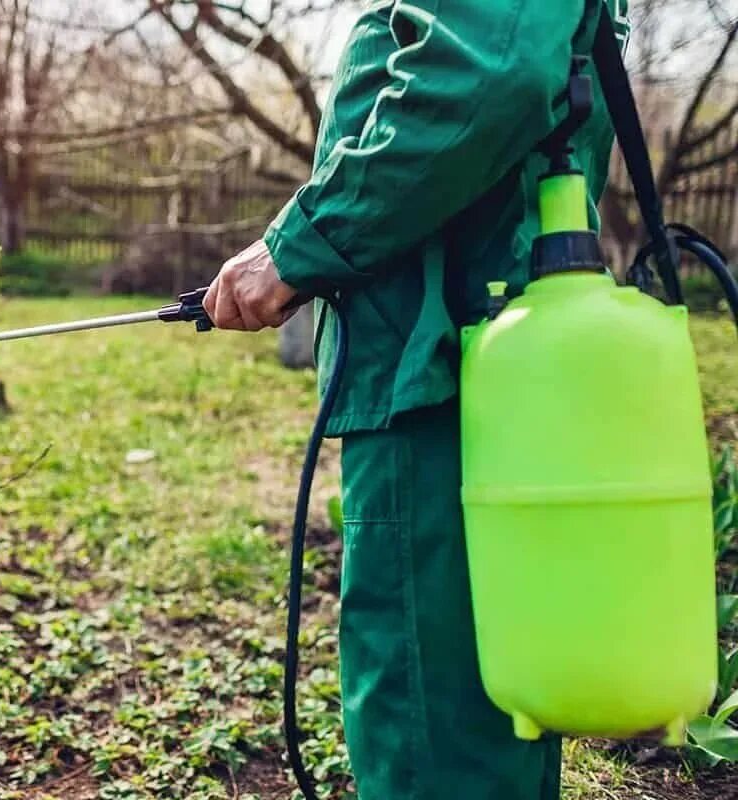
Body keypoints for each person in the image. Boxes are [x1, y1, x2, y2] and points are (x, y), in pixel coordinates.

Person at [203, 1, 629, 797]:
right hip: (481, 358)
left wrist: (300, 244)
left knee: (434, 735)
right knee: (491, 715)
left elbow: (487, 73)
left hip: (437, 366)